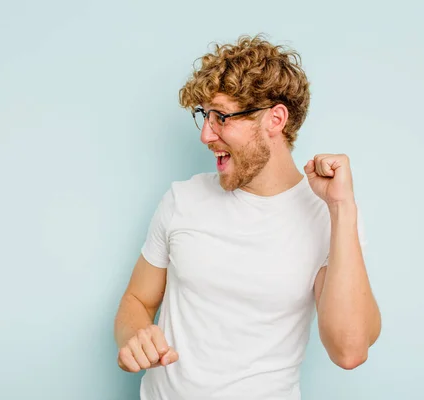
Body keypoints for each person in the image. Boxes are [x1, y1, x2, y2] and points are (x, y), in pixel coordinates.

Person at [114, 34, 381, 400]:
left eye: (221, 116)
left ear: (275, 119)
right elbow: (137, 300)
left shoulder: (328, 216)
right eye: (204, 116)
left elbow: (350, 350)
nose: (207, 134)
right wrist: (135, 336)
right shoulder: (182, 199)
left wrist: (342, 209)